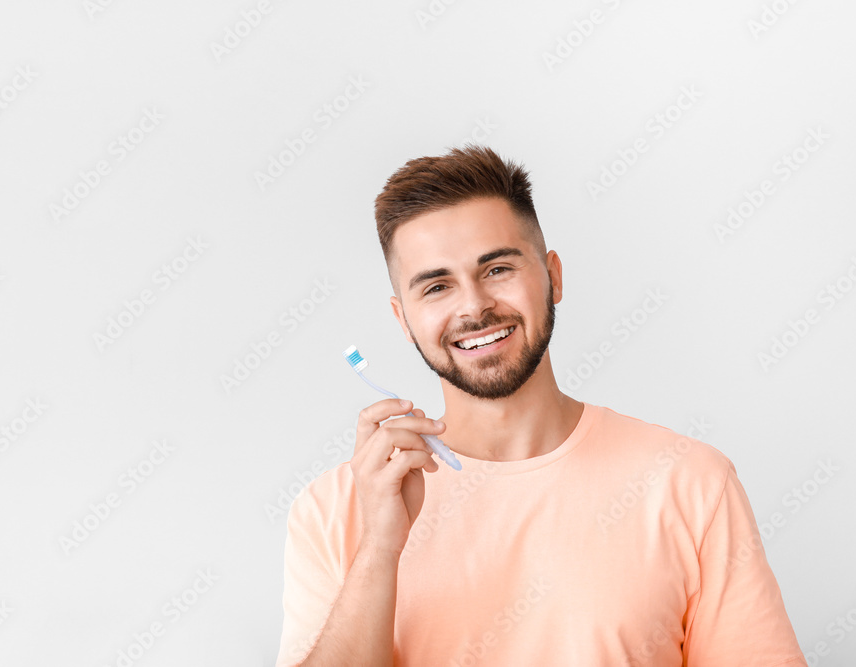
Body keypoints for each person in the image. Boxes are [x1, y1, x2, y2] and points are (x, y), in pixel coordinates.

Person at [275, 144, 806, 666]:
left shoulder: (691, 483)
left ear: (553, 276)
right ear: (403, 319)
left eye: (498, 269)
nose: (474, 306)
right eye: (437, 287)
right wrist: (378, 552)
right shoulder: (334, 510)